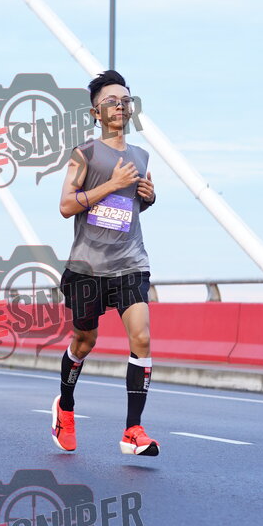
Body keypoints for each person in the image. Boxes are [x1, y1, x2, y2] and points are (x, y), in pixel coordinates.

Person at [51, 70, 159, 456]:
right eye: (111, 101)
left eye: (126, 101)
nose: (120, 106)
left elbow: (128, 210)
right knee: (84, 342)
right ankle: (65, 408)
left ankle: (133, 430)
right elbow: (66, 206)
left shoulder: (141, 157)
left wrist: (147, 198)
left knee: (141, 338)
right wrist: (111, 184)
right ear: (96, 113)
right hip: (88, 268)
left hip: (130, 261)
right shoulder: (84, 155)